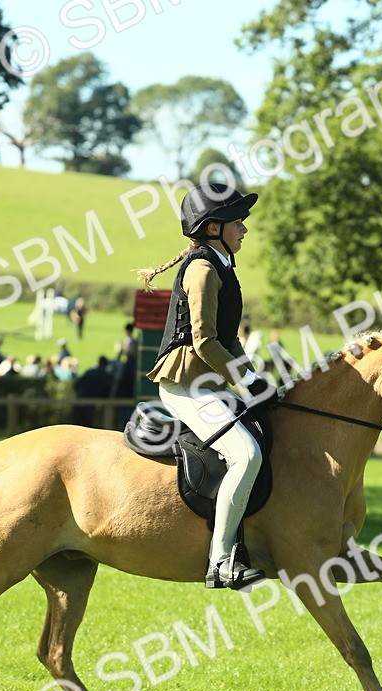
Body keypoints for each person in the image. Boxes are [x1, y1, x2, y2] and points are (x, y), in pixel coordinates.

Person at [138, 183, 272, 590]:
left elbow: (229, 340)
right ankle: (220, 562)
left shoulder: (222, 266)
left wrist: (255, 382)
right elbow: (204, 342)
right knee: (246, 455)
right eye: (238, 222)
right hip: (185, 386)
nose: (244, 229)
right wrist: (244, 379)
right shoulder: (201, 270)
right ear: (213, 227)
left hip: (209, 384)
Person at [73, 356, 113, 427]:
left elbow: (77, 385)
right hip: (91, 403)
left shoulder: (90, 371)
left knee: (77, 425)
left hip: (80, 400)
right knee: (87, 425)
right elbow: (107, 392)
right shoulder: (106, 376)